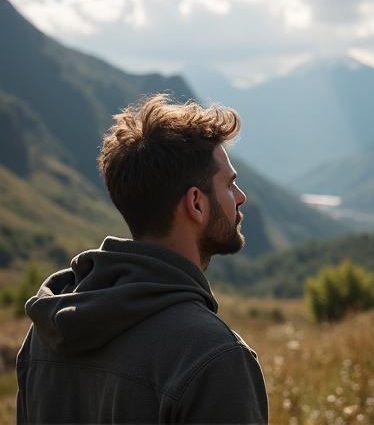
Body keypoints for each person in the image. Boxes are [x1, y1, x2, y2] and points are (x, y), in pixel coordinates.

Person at [16, 94, 268, 424]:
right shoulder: (214, 357)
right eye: (230, 184)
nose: (240, 197)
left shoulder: (43, 337)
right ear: (196, 203)